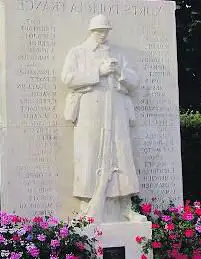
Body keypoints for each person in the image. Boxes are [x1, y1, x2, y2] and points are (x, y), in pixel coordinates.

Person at [61, 14, 146, 222]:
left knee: (121, 152)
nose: (102, 34)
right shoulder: (78, 52)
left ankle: (126, 205)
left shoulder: (117, 53)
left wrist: (120, 73)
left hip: (116, 108)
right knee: (89, 154)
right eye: (99, 31)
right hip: (90, 109)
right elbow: (68, 78)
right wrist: (98, 71)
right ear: (91, 31)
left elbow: (134, 81)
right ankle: (86, 206)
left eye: (105, 31)